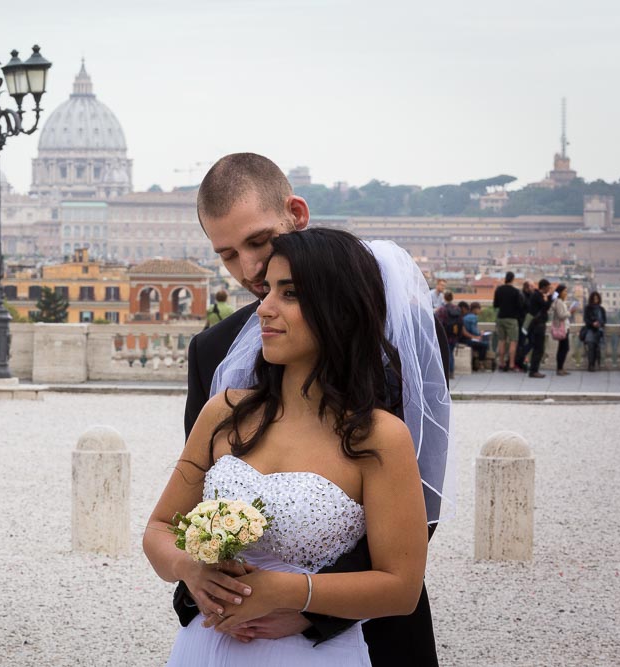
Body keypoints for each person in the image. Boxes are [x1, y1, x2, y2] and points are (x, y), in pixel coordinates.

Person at [175, 153, 451, 666]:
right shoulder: (211, 350)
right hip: (234, 631)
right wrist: (209, 584)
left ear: (296, 214)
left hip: (369, 627)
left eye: (258, 242)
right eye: (229, 255)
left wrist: (310, 607)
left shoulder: (410, 335)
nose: (250, 270)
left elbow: (418, 500)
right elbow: (203, 501)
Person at [493, 271, 523, 371]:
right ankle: (511, 364)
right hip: (512, 318)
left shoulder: (499, 290)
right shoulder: (515, 291)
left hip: (501, 317)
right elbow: (520, 306)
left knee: (501, 341)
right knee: (513, 341)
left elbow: (495, 305)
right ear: (513, 279)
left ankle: (501, 363)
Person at [526, 279, 553, 378]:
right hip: (538, 325)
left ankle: (534, 370)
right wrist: (550, 297)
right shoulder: (537, 295)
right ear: (544, 287)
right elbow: (545, 306)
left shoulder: (537, 295)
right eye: (548, 287)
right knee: (538, 348)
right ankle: (533, 371)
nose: (549, 289)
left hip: (538, 325)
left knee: (538, 348)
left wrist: (548, 297)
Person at [435, 292, 462, 379]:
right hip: (454, 335)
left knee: (447, 354)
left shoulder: (442, 310)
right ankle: (451, 371)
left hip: (445, 336)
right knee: (451, 353)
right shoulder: (457, 309)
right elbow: (461, 322)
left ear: (444, 298)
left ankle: (449, 371)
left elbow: (439, 323)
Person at [459, 301, 490, 369]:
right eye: (479, 309)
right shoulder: (473, 317)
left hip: (462, 339)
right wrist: (480, 334)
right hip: (467, 339)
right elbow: (473, 330)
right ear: (475, 309)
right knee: (484, 344)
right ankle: (481, 363)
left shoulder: (465, 316)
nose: (480, 311)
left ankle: (475, 363)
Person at [582, 291, 606, 372]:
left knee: (597, 349)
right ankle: (591, 365)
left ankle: (596, 364)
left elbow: (604, 320)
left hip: (599, 331)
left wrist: (600, 323)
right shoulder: (588, 308)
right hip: (590, 330)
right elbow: (585, 319)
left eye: (597, 298)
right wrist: (593, 323)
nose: (595, 300)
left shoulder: (601, 309)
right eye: (594, 298)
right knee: (591, 347)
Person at [551, 285, 572, 376]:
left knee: (563, 348)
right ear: (560, 292)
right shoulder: (559, 302)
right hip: (562, 328)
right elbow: (561, 315)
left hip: (564, 327)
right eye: (565, 291)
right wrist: (570, 312)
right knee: (564, 348)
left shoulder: (560, 301)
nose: (566, 293)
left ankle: (560, 368)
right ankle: (559, 368)